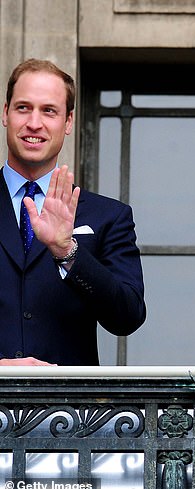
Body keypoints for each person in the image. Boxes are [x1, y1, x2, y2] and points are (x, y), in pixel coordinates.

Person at [0, 58, 146, 366]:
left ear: (68, 122)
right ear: (5, 113)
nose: (34, 123)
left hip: (72, 411)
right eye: (23, 108)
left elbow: (127, 317)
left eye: (48, 111)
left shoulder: (109, 216)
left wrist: (67, 251)